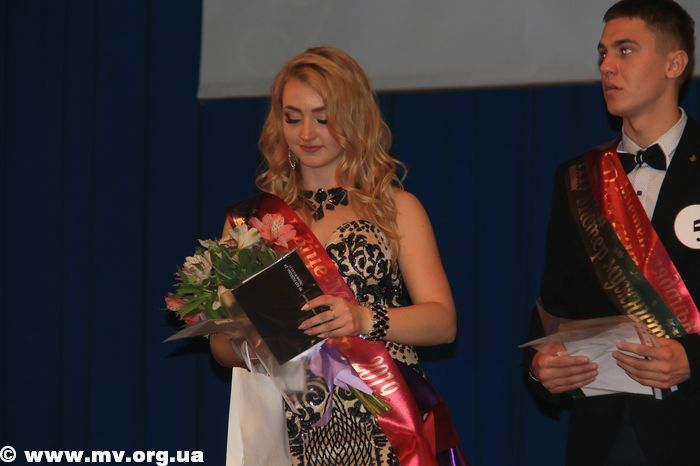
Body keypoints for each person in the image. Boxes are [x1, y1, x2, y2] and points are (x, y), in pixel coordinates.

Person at [209, 46, 457, 465]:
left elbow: (443, 323)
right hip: (293, 425)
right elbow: (220, 346)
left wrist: (363, 319)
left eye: (323, 118)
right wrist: (260, 341)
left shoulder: (396, 208)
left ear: (354, 118)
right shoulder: (250, 223)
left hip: (387, 422)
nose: (307, 133)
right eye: (293, 118)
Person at [526, 1, 700, 465]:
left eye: (625, 51)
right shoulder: (577, 178)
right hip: (604, 438)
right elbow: (555, 307)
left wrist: (694, 359)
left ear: (674, 64)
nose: (606, 66)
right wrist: (542, 368)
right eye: (603, 53)